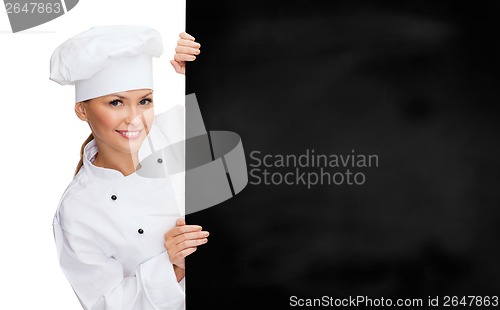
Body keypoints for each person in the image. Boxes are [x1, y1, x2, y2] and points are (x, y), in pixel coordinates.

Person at [50, 25, 208, 310]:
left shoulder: (181, 130)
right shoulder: (77, 211)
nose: (135, 119)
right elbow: (107, 304)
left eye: (144, 101)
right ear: (82, 109)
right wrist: (173, 267)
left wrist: (207, 73)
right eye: (116, 103)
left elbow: (263, 122)